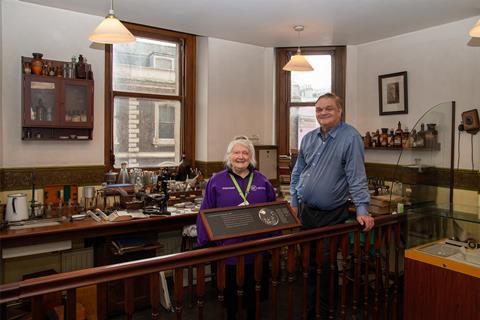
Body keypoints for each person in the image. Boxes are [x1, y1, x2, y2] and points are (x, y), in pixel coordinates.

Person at [290, 92, 374, 319]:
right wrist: (294, 202)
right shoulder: (308, 138)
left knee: (325, 267)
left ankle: (326, 313)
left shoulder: (351, 138)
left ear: (339, 111)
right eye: (319, 109)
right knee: (307, 266)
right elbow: (297, 173)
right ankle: (310, 310)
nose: (323, 112)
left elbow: (356, 176)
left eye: (328, 108)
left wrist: (362, 209)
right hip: (306, 214)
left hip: (330, 215)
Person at [196, 136, 276, 320]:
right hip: (228, 252)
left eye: (245, 153)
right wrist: (205, 243)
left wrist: (274, 240)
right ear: (229, 156)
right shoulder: (216, 181)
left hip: (257, 251)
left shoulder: (262, 180)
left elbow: (273, 212)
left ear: (251, 157)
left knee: (254, 299)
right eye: (236, 152)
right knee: (230, 301)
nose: (241, 156)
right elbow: (204, 213)